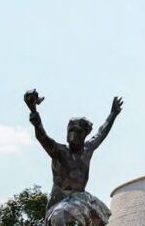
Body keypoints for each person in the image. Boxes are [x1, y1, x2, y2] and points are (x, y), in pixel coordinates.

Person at [25, 89, 122, 226]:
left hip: (81, 199)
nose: (73, 135)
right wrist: (34, 113)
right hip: (60, 203)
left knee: (98, 219)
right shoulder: (59, 152)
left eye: (77, 131)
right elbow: (42, 137)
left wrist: (113, 114)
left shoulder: (87, 149)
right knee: (61, 215)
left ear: (84, 134)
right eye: (70, 131)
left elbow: (101, 133)